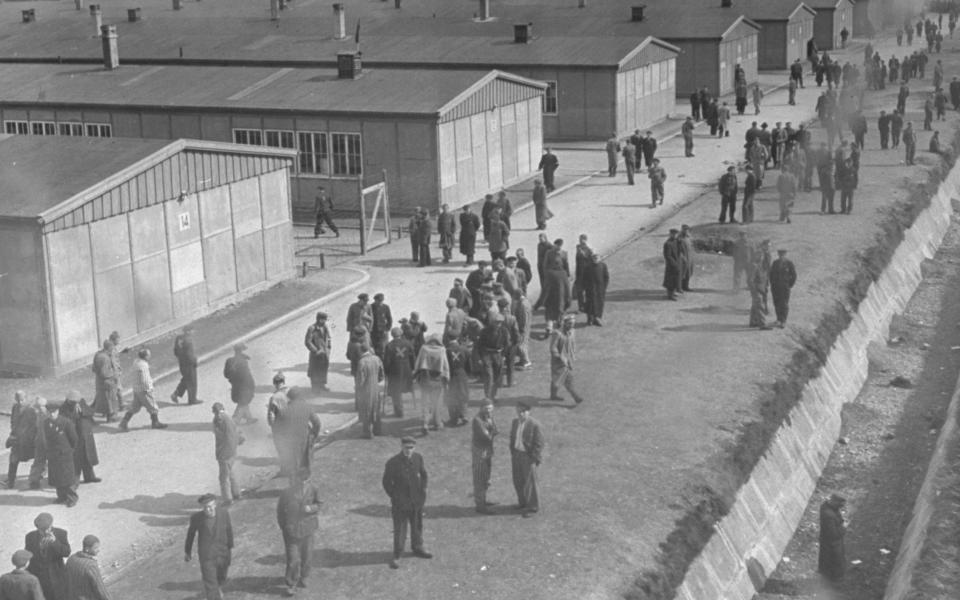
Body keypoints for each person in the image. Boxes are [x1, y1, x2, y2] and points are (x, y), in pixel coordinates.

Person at [382, 437, 432, 569]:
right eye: (406, 447)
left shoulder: (418, 458)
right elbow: (386, 483)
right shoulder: (393, 463)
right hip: (400, 504)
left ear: (414, 448)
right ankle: (397, 555)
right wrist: (395, 496)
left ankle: (418, 547)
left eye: (411, 448)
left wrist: (423, 490)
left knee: (417, 526)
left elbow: (424, 474)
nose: (409, 450)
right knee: (400, 530)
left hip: (416, 501)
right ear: (401, 447)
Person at [276, 476, 322, 597]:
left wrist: (310, 508)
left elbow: (319, 504)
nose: (303, 483)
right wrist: (284, 527)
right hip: (291, 531)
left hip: (308, 529)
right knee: (293, 559)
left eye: (305, 481)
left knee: (307, 555)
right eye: (300, 480)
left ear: (309, 479)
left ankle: (304, 576)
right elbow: (280, 511)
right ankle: (291, 583)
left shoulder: (314, 489)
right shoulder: (286, 492)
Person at [185, 494, 234, 600]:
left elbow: (229, 529)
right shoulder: (196, 518)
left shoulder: (224, 513)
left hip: (223, 553)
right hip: (207, 556)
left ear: (215, 504)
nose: (208, 509)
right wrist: (187, 552)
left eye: (210, 506)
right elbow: (190, 535)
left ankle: (218, 587)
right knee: (210, 584)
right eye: (205, 507)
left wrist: (230, 547)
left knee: (221, 577)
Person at [277, 388, 322, 481]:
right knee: (306, 462)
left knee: (293, 465)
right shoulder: (306, 407)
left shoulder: (285, 410)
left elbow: (279, 428)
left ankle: (294, 485)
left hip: (290, 442)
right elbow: (317, 423)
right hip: (305, 439)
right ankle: (305, 484)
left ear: (289, 398)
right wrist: (314, 435)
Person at [118, 348, 167, 431]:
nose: (150, 356)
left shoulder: (136, 362)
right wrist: (149, 389)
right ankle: (155, 422)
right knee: (153, 406)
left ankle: (123, 423)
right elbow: (145, 379)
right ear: (145, 356)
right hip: (144, 390)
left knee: (134, 407)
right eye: (148, 355)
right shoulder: (143, 366)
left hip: (136, 389)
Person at [510, 402, 544, 518]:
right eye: (518, 411)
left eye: (523, 412)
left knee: (530, 483)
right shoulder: (515, 423)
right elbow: (512, 438)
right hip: (517, 455)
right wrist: (513, 452)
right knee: (518, 480)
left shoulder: (535, 425)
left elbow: (539, 444)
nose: (520, 414)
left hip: (527, 456)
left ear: (528, 412)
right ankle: (523, 502)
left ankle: (533, 507)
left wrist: (533, 458)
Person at [25, 512, 70, 600]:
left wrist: (55, 542)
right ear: (37, 527)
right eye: (42, 530)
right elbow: (28, 554)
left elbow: (66, 552)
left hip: (56, 575)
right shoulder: (30, 536)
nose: (45, 532)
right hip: (39, 576)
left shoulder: (61, 533)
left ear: (51, 525)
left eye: (48, 529)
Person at [60, 392, 100, 485]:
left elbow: (90, 412)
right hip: (75, 437)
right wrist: (74, 411)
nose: (76, 403)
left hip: (86, 435)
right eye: (74, 401)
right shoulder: (64, 408)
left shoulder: (81, 402)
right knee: (76, 459)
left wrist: (82, 410)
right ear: (69, 400)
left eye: (77, 401)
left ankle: (89, 477)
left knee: (87, 456)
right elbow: (67, 421)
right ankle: (75, 480)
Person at [45, 401, 79, 507]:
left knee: (67, 478)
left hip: (64, 455)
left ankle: (72, 498)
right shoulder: (46, 423)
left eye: (54, 412)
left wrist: (69, 450)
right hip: (53, 455)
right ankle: (61, 497)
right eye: (49, 412)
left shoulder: (66, 422)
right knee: (57, 477)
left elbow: (74, 439)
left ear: (58, 411)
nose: (51, 414)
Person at [414, 334, 449, 434]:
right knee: (437, 402)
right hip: (437, 379)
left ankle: (425, 423)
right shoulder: (442, 350)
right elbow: (445, 365)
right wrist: (447, 378)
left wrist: (416, 374)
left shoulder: (423, 348)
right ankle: (437, 423)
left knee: (425, 401)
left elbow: (418, 362)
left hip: (425, 378)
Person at [549, 313, 584, 404]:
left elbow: (572, 344)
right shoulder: (557, 333)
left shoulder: (572, 331)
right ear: (564, 323)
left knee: (556, 379)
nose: (571, 326)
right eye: (569, 324)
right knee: (568, 379)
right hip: (558, 361)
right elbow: (553, 348)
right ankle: (577, 397)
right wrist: (561, 358)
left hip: (568, 359)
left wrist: (572, 356)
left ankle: (553, 395)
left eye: (573, 323)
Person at [212, 402, 243, 505]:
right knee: (230, 473)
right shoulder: (229, 418)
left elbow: (220, 435)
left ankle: (227, 499)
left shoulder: (219, 419)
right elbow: (236, 433)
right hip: (232, 451)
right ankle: (237, 493)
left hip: (224, 453)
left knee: (223, 477)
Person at [471, 398, 499, 514]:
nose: (489, 411)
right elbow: (487, 436)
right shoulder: (477, 420)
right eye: (487, 409)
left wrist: (492, 432)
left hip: (487, 451)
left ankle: (483, 500)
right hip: (480, 452)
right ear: (481, 408)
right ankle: (480, 505)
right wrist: (492, 432)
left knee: (486, 477)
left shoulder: (489, 417)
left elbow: (495, 430)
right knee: (480, 478)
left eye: (491, 409)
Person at [5, 390, 37, 489]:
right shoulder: (15, 407)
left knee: (38, 458)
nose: (20, 402)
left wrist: (29, 437)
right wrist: (12, 433)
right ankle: (10, 481)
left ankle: (37, 478)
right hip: (16, 439)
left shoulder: (31, 410)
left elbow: (33, 426)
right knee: (13, 460)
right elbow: (13, 422)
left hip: (27, 440)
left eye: (22, 400)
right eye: (18, 400)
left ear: (26, 398)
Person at [65, 534, 111, 600]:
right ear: (87, 549)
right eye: (95, 548)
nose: (99, 550)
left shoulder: (71, 558)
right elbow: (101, 590)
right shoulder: (91, 565)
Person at [383, 328, 415, 419]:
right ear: (401, 334)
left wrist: (386, 372)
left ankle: (399, 411)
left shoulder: (389, 346)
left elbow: (387, 362)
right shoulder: (408, 343)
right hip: (406, 371)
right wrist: (412, 368)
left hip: (395, 372)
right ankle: (403, 409)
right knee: (403, 389)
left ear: (392, 335)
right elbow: (413, 357)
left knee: (395, 392)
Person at [354, 344, 385, 439]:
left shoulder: (362, 362)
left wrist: (358, 388)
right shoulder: (377, 359)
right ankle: (378, 430)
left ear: (361, 351)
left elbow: (360, 379)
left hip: (365, 390)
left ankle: (367, 432)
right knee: (376, 408)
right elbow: (382, 375)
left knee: (366, 409)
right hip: (376, 387)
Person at [223, 343, 256, 425]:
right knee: (243, 402)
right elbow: (247, 376)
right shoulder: (243, 362)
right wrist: (252, 385)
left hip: (235, 385)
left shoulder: (229, 361)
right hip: (244, 386)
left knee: (243, 401)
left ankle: (249, 418)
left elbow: (226, 374)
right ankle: (235, 420)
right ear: (241, 351)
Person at [266, 373, 292, 476]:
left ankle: (285, 470)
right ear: (283, 382)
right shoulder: (291, 393)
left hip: (280, 428)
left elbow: (271, 416)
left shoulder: (274, 398)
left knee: (282, 449)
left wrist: (273, 426)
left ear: (275, 384)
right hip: (292, 424)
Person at [818, 494, 846, 584]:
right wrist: (844, 528)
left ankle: (829, 577)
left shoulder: (827, 506)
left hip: (828, 541)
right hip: (832, 543)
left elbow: (838, 516)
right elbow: (834, 534)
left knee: (828, 561)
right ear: (834, 502)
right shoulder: (828, 515)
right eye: (840, 505)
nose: (841, 507)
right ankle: (832, 581)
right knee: (834, 561)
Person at [91, 339, 120, 422]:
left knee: (106, 400)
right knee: (111, 399)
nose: (113, 349)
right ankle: (112, 417)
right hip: (107, 381)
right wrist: (113, 375)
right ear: (110, 347)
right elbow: (104, 373)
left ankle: (109, 416)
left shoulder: (98, 354)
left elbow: (93, 368)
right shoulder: (105, 358)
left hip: (100, 382)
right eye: (113, 347)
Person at [171, 325, 200, 405]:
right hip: (189, 363)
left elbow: (175, 351)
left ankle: (176, 394)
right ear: (188, 331)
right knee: (192, 381)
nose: (193, 332)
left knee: (186, 379)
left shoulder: (179, 338)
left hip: (182, 362)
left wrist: (180, 358)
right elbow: (189, 354)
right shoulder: (188, 340)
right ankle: (192, 400)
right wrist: (194, 361)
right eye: (192, 330)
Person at [769, 249, 797, 328]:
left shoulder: (789, 264)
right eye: (780, 255)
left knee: (784, 304)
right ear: (778, 255)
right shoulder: (775, 263)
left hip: (785, 288)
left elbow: (794, 276)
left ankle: (783, 321)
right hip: (775, 287)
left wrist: (789, 285)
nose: (781, 256)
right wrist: (772, 284)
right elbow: (771, 274)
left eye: (783, 255)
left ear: (785, 255)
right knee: (776, 303)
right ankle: (778, 319)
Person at [304, 312, 331, 393]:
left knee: (323, 369)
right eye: (324, 320)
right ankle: (315, 388)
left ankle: (322, 384)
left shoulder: (325, 327)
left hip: (324, 352)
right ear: (319, 319)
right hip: (316, 354)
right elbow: (307, 342)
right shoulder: (311, 328)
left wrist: (328, 348)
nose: (325, 322)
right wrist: (316, 350)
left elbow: (328, 337)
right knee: (315, 370)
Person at [28, 397, 48, 491]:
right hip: (42, 441)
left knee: (39, 462)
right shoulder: (41, 415)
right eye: (38, 407)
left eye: (41, 407)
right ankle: (34, 480)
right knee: (39, 461)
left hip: (43, 441)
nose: (39, 409)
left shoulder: (41, 415)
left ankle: (34, 480)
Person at [662, 228, 683, 301]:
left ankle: (673, 292)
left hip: (677, 263)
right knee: (670, 281)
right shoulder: (668, 244)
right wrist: (674, 264)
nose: (675, 235)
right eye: (673, 234)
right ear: (670, 234)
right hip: (671, 265)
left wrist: (680, 243)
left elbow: (680, 251)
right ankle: (670, 295)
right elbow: (667, 256)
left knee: (676, 279)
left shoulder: (677, 241)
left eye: (676, 234)